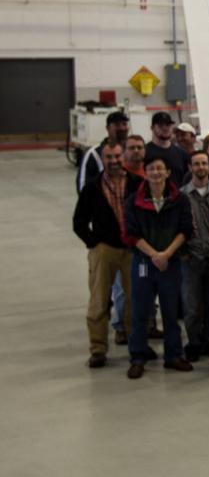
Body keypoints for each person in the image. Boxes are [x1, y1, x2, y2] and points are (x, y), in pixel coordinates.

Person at [123, 152, 194, 378]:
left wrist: (166, 254)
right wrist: (155, 255)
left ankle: (173, 355)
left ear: (168, 172)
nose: (156, 172)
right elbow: (131, 235)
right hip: (144, 262)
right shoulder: (134, 201)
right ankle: (138, 356)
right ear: (145, 172)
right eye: (151, 168)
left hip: (170, 264)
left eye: (160, 168)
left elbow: (186, 230)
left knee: (171, 312)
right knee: (140, 312)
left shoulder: (179, 200)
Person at [73, 139, 133, 367]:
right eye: (109, 157)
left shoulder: (136, 184)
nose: (114, 161)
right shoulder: (92, 187)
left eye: (118, 156)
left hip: (131, 250)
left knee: (134, 300)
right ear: (103, 159)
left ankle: (134, 342)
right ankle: (98, 348)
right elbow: (78, 222)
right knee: (99, 301)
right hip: (104, 250)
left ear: (123, 157)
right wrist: (94, 244)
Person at [180, 148, 209, 362]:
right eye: (196, 164)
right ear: (190, 167)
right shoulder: (181, 195)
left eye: (204, 163)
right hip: (191, 257)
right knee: (191, 305)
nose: (201, 167)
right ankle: (193, 342)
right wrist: (182, 253)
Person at [77, 110, 129, 192]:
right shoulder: (93, 154)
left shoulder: (132, 151)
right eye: (117, 125)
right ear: (108, 128)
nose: (122, 128)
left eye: (124, 124)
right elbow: (83, 188)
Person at [145, 111, 188, 186]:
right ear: (152, 128)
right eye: (161, 125)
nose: (165, 128)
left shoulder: (182, 154)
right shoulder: (144, 152)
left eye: (168, 125)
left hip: (177, 196)